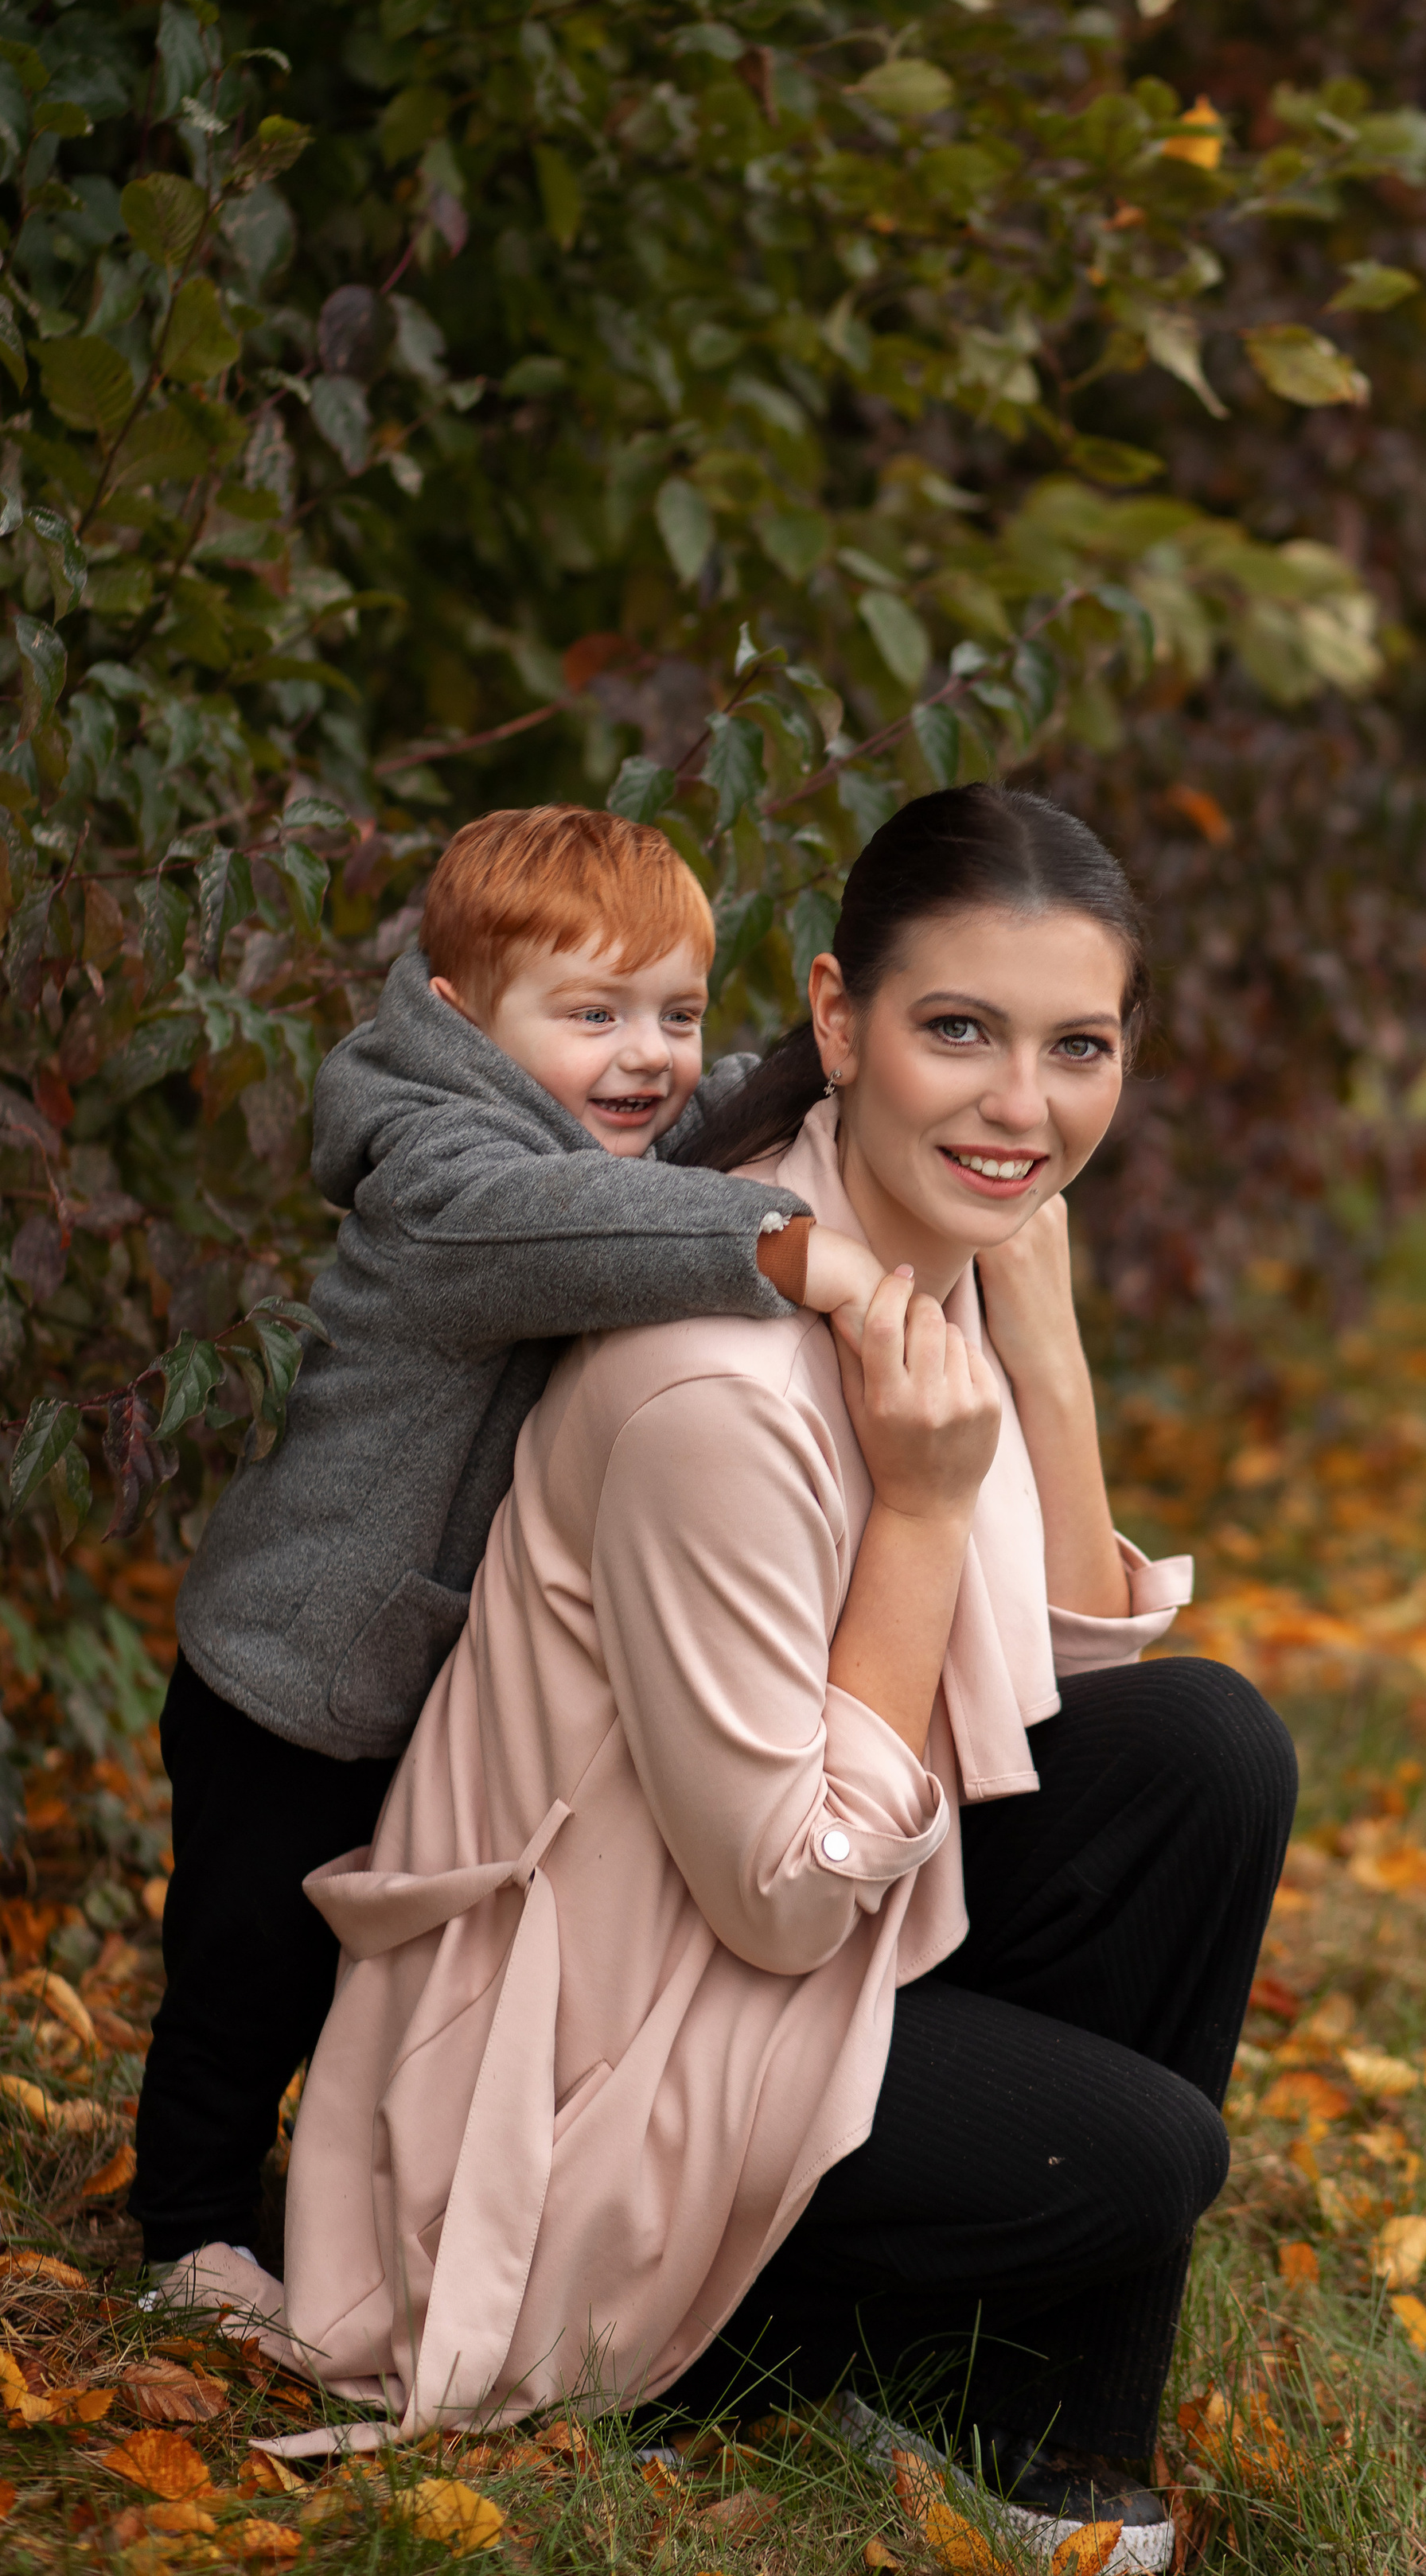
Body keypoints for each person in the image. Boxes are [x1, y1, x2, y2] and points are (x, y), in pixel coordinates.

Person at [240, 785, 1294, 2570]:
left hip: (760, 1951)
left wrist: (1044, 1356)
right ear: (833, 1020)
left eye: (1077, 1046)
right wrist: (921, 1508)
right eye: (956, 1029)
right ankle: (745, 2372)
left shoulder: (911, 1255)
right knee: (1131, 2155)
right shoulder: (709, 1385)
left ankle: (1045, 2441)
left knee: (1203, 1743)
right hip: (603, 2079)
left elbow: (1045, 1704)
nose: (1020, 1106)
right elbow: (787, 1904)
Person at [136, 805, 882, 2276]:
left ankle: (335, 2195)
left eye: (673, 1011)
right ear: (464, 1015)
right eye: (594, 1013)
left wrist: (828, 1052)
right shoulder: (439, 1171)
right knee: (246, 1972)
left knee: (379, 1973)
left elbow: (705, 1121)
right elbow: (568, 1218)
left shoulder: (590, 1112)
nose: (648, 1055)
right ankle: (189, 2220)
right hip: (294, 1678)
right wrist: (790, 1247)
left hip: (420, 1684)